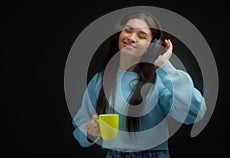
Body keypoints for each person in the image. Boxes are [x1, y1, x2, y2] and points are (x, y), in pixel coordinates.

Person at [72, 11, 207, 158]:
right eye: (128, 30)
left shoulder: (160, 81)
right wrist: (89, 133)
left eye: (141, 35)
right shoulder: (100, 81)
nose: (131, 38)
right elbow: (80, 128)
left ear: (152, 46)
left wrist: (166, 68)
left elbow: (195, 113)